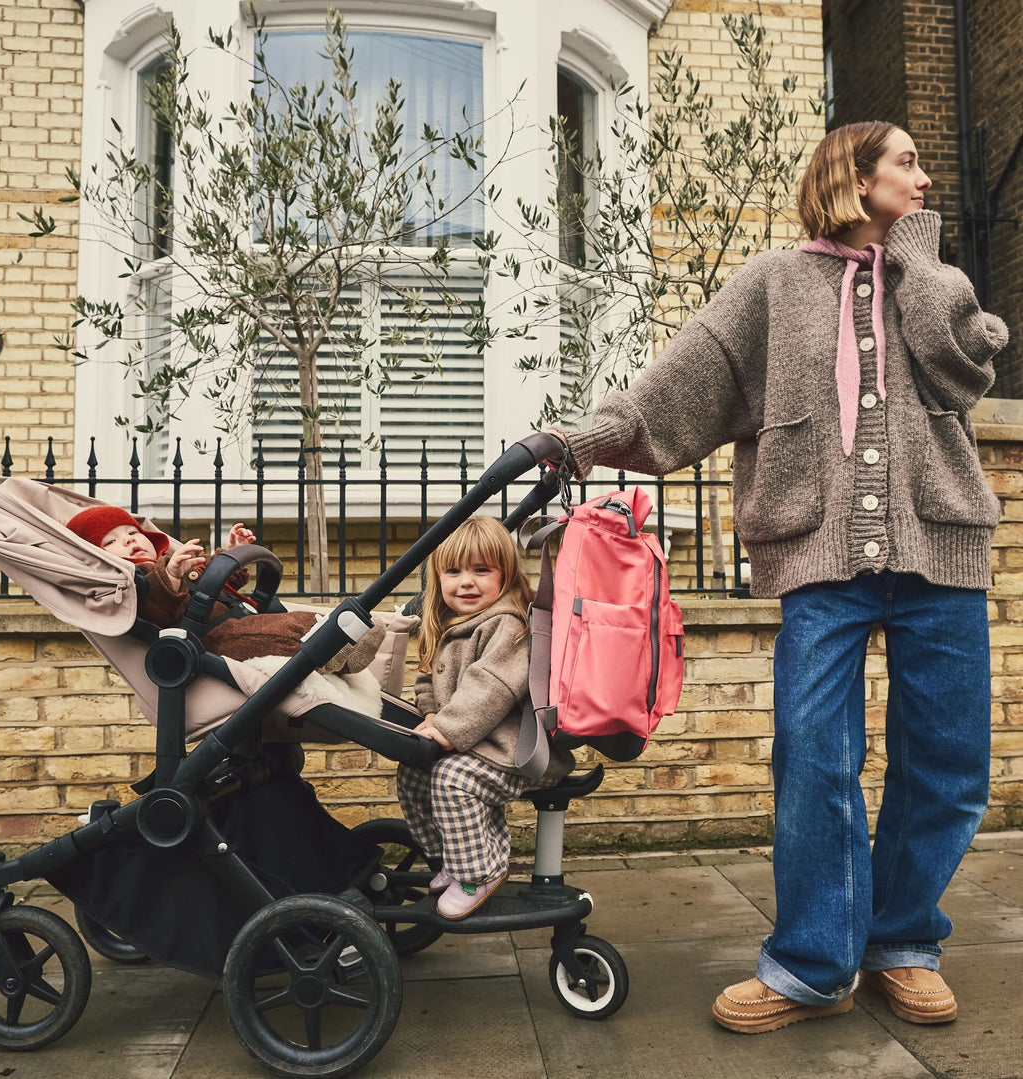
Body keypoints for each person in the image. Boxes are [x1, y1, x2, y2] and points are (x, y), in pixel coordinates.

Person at [553, 122, 1007, 1032]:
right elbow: (681, 386)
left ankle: (902, 940)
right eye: (907, 162)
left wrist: (916, 262)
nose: (924, 178)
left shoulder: (934, 280)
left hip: (941, 548)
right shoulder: (772, 284)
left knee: (950, 764)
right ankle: (812, 960)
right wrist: (585, 437)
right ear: (855, 176)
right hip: (820, 557)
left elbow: (965, 368)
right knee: (813, 763)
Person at [396, 516, 574, 920]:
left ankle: (478, 873)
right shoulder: (449, 624)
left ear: (504, 574)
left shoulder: (507, 624)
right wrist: (430, 716)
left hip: (517, 753)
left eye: (481, 571)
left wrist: (447, 729)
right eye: (453, 572)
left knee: (451, 778)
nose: (466, 583)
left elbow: (491, 688)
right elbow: (427, 678)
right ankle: (455, 858)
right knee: (412, 773)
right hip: (478, 747)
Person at [65, 504, 382, 672]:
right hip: (212, 639)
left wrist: (231, 556)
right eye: (111, 541)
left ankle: (343, 652)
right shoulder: (136, 581)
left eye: (132, 532)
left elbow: (216, 583)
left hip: (239, 617)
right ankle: (337, 643)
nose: (128, 540)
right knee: (288, 631)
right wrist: (171, 575)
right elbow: (159, 608)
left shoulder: (174, 560)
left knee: (285, 621)